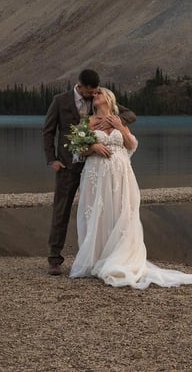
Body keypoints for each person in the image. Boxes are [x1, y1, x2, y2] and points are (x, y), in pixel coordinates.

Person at [69, 86, 192, 289]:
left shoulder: (118, 119)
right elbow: (78, 148)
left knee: (121, 212)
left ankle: (118, 257)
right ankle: (95, 258)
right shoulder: (88, 121)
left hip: (121, 173)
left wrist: (120, 128)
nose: (94, 96)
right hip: (96, 174)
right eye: (93, 94)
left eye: (98, 94)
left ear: (108, 98)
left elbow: (130, 145)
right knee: (97, 213)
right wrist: (93, 147)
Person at [42, 69, 135, 276]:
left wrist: (113, 120)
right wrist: (52, 160)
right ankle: (54, 259)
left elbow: (130, 114)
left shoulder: (99, 100)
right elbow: (48, 131)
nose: (92, 95)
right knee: (61, 210)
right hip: (68, 165)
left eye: (95, 92)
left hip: (96, 168)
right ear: (79, 85)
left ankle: (99, 256)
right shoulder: (60, 101)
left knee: (97, 212)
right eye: (89, 92)